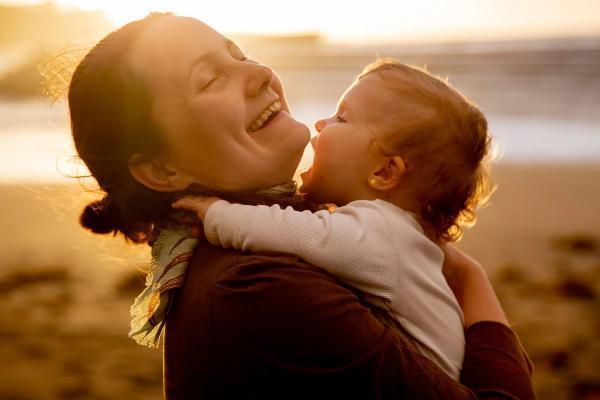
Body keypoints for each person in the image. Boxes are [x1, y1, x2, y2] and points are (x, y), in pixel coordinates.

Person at [67, 12, 535, 399]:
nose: (259, 73)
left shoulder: (285, 241)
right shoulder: (259, 287)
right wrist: (472, 282)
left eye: (239, 54)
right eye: (210, 79)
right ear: (161, 171)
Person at [170, 57, 494, 381]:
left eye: (342, 117)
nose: (321, 124)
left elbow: (298, 233)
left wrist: (215, 214)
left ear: (383, 171)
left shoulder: (380, 232)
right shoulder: (400, 237)